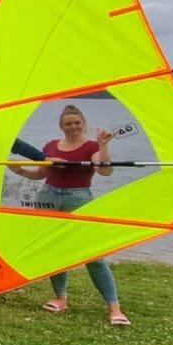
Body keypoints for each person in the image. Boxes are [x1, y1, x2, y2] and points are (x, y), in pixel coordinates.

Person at [8, 104, 129, 325]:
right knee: (55, 250)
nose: (72, 127)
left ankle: (114, 308)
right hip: (48, 196)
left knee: (93, 254)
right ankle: (60, 298)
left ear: (83, 124)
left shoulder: (92, 146)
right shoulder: (51, 146)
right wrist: (21, 170)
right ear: (61, 126)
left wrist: (103, 145)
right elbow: (41, 173)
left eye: (76, 123)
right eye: (67, 124)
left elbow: (105, 170)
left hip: (78, 198)